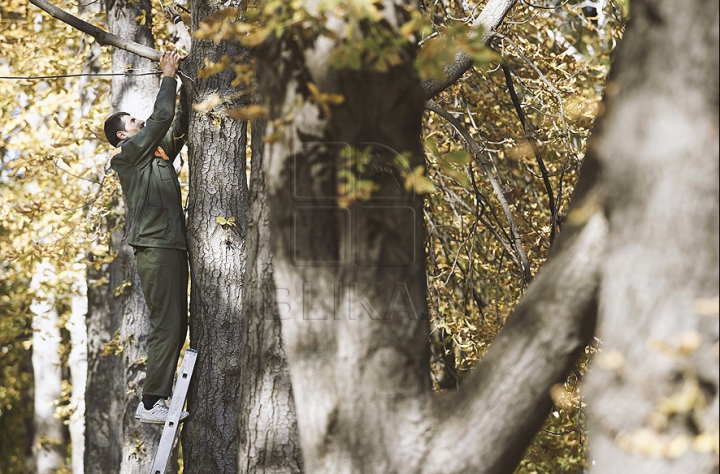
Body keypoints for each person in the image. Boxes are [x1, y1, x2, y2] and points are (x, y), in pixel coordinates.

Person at [103, 51, 190, 424]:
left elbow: (176, 128)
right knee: (169, 323)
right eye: (132, 120)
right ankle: (152, 401)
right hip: (155, 246)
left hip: (170, 243)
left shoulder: (152, 151)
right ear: (123, 134)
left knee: (177, 322)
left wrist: (189, 85)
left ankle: (156, 396)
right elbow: (160, 118)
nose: (140, 121)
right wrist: (168, 76)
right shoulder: (127, 155)